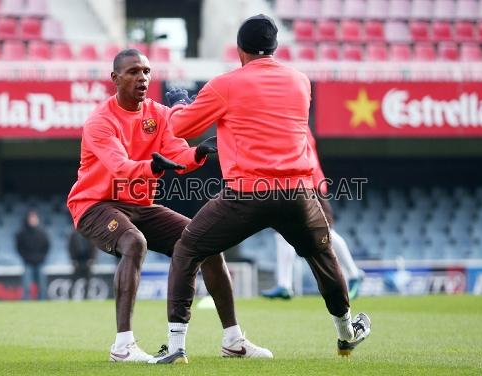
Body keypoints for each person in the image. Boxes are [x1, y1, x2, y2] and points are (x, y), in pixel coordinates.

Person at [156, 14, 371, 363]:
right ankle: (347, 333)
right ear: (275, 47)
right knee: (323, 257)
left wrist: (179, 103)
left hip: (246, 193)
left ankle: (178, 346)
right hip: (298, 194)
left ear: (240, 50)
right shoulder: (302, 82)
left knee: (188, 249)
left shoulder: (226, 84)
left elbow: (181, 125)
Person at [66, 49, 271, 363]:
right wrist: (155, 167)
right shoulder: (100, 122)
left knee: (205, 240)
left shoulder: (159, 114)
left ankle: (234, 340)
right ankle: (123, 346)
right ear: (114, 78)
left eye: (146, 71)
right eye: (134, 71)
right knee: (134, 242)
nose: (143, 78)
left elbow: (177, 154)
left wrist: (198, 153)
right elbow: (120, 167)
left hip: (139, 204)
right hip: (95, 204)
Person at [262, 131, 365, 300]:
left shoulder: (296, 126)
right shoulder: (285, 122)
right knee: (281, 232)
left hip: (310, 184)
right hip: (291, 185)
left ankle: (354, 274)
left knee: (325, 232)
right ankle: (284, 285)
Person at [16, 209, 50, 300]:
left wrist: (41, 257)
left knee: (42, 286)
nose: (33, 220)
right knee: (26, 286)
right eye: (31, 218)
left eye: (34, 218)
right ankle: (26, 303)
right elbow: (19, 248)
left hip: (40, 262)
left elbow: (47, 247)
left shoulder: (42, 233)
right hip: (28, 263)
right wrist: (26, 258)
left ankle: (43, 303)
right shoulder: (22, 233)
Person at [68, 229, 96, 300]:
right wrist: (73, 259)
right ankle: (70, 296)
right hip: (77, 260)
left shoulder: (89, 233)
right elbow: (70, 247)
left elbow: (94, 246)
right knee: (73, 280)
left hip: (87, 261)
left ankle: (86, 297)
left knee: (88, 281)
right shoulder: (73, 234)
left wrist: (92, 259)